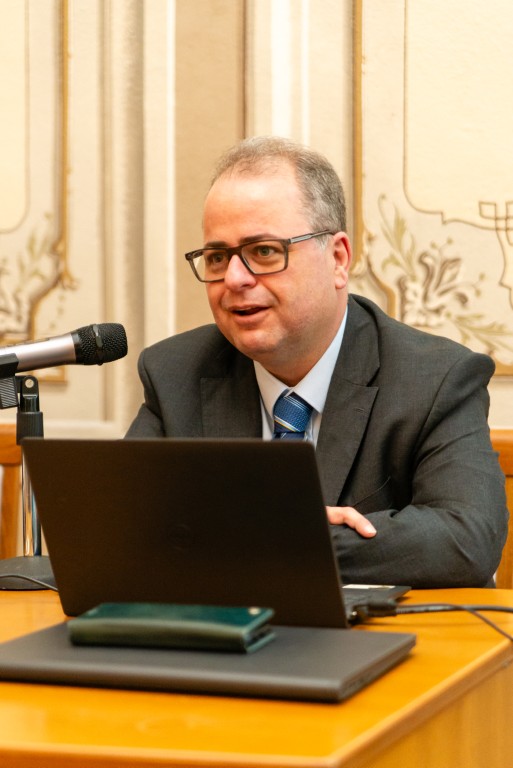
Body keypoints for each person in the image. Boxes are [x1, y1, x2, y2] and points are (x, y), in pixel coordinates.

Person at [126, 135, 508, 588]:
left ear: (338, 259)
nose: (234, 278)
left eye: (264, 251)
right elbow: (118, 531)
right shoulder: (176, 373)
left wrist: (288, 539)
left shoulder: (435, 378)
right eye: (217, 257)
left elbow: (466, 540)